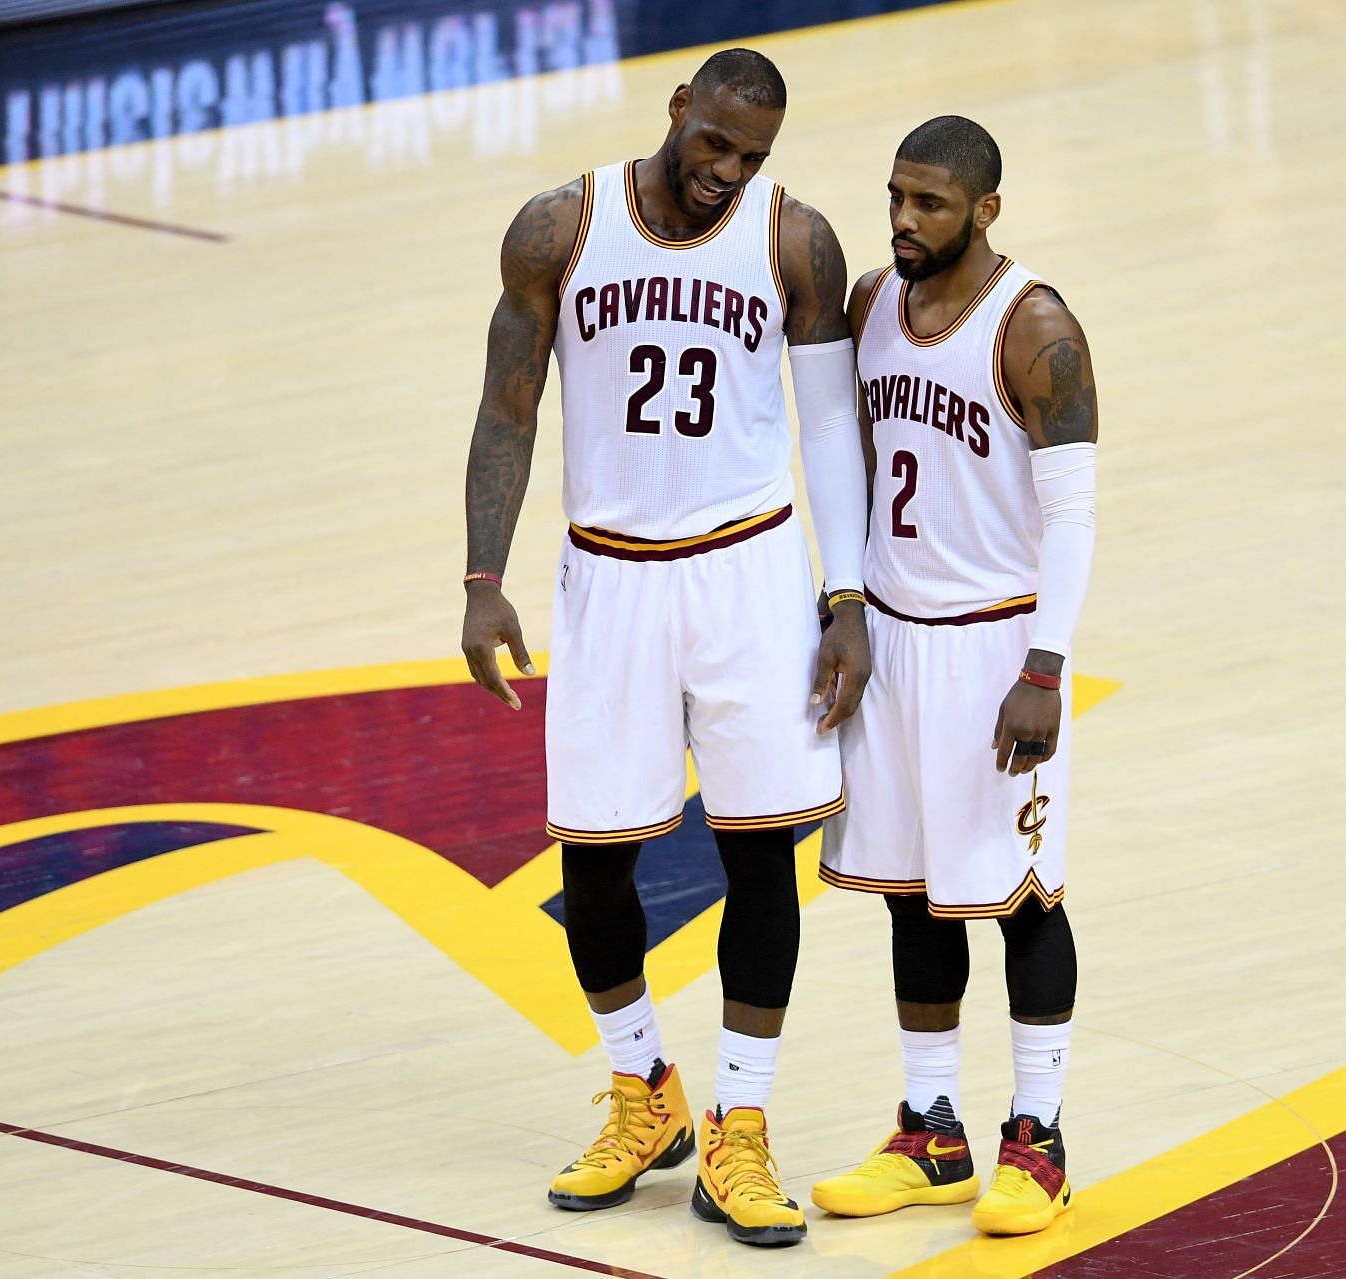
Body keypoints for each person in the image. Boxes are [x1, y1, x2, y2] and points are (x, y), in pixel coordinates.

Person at [457, 49, 871, 1248]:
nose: (728, 173)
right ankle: (645, 1094)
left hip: (750, 573)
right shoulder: (558, 228)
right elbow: (507, 406)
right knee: (593, 863)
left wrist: (843, 593)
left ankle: (741, 1124)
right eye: (716, 146)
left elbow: (832, 425)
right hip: (611, 577)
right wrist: (482, 580)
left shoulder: (793, 240)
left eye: (753, 159)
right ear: (678, 107)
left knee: (758, 859)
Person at [812, 115, 1099, 1237]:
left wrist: (1046, 663)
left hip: (995, 643)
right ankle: (932, 1132)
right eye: (896, 197)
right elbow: (847, 454)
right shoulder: (874, 300)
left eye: (930, 203)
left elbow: (1072, 514)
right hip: (892, 631)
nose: (904, 220)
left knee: (1023, 895)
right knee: (910, 888)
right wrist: (842, 601)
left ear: (986, 209)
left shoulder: (1037, 330)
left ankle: (1040, 1137)